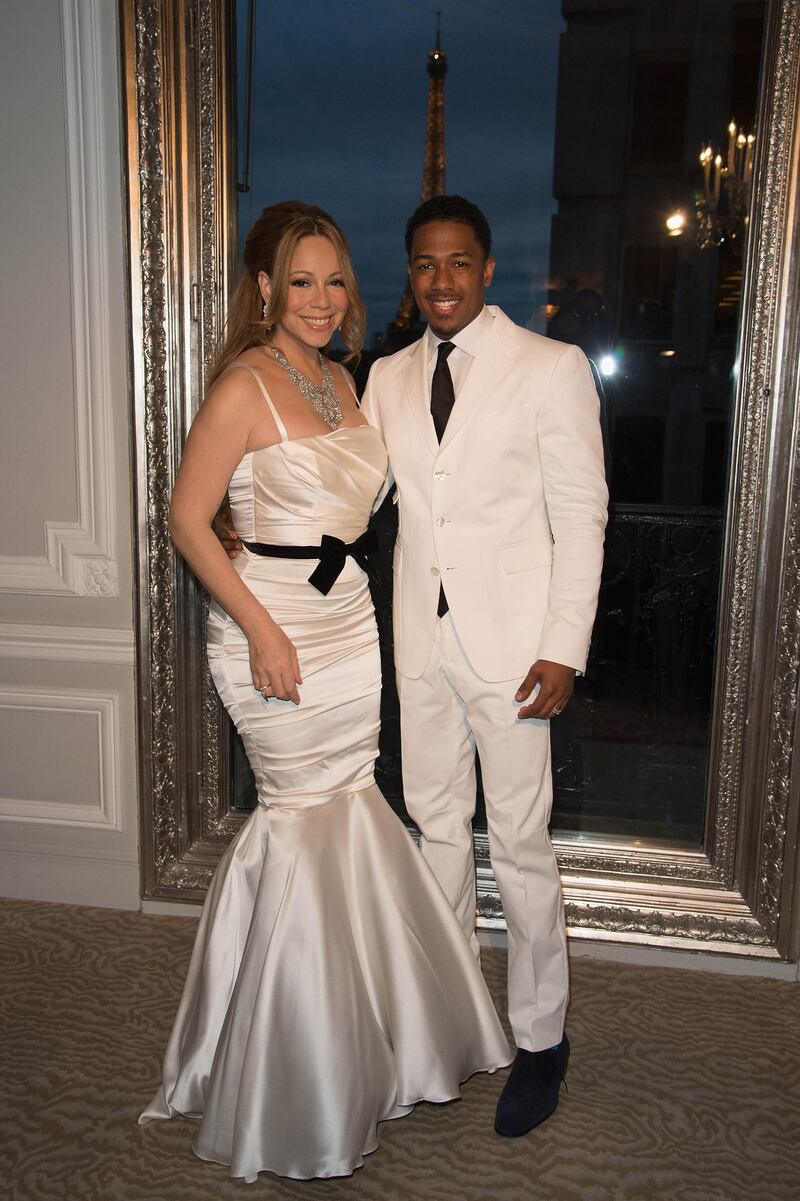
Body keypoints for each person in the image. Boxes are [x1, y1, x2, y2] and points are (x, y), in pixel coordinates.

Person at [138, 200, 511, 1183]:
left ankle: (370, 1043)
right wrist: (258, 626)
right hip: (272, 626)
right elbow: (185, 518)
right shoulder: (243, 385)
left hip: (345, 616)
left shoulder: (345, 379)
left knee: (349, 810)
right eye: (297, 280)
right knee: (299, 817)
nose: (317, 298)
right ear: (263, 288)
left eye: (332, 279)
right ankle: (288, 1072)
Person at [360, 195, 608, 1138]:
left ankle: (542, 1037)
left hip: (516, 653)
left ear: (489, 268)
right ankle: (451, 1021)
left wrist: (563, 645)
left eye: (458, 262)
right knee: (433, 835)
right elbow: (360, 492)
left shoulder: (550, 368)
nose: (441, 281)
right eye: (424, 264)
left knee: (520, 845)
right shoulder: (386, 377)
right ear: (412, 272)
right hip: (420, 642)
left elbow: (581, 513)